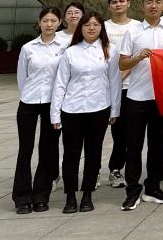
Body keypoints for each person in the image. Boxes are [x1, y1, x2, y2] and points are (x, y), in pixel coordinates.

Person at [50, 11, 121, 214]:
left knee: (93, 153)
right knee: (71, 154)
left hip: (99, 108)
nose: (91, 28)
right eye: (87, 24)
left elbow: (114, 81)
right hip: (72, 109)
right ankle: (70, 196)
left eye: (96, 24)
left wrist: (115, 110)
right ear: (80, 28)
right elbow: (61, 83)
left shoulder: (110, 50)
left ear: (101, 28)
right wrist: (55, 113)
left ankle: (88, 194)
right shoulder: (71, 52)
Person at [119, 0, 163, 209]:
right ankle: (132, 190)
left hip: (161, 98)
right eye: (149, 2)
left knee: (158, 146)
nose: (154, 6)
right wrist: (137, 57)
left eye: (158, 2)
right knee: (133, 146)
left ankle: (153, 187)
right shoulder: (132, 31)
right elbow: (122, 64)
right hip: (136, 97)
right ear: (142, 5)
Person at [13, 6, 65, 214]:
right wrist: (27, 96)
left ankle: (41, 196)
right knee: (25, 150)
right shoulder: (28, 48)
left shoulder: (64, 46)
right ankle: (21, 197)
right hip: (29, 102)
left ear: (59, 23)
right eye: (45, 21)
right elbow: (22, 77)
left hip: (53, 104)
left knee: (48, 149)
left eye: (53, 21)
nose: (49, 24)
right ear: (39, 22)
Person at [103, 0, 133, 189]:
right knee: (117, 131)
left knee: (132, 132)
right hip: (108, 87)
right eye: (114, 2)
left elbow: (138, 55)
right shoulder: (103, 27)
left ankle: (130, 169)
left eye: (121, 1)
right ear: (109, 6)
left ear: (128, 3)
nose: (118, 4)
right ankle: (115, 169)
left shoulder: (137, 26)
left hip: (131, 87)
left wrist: (123, 73)